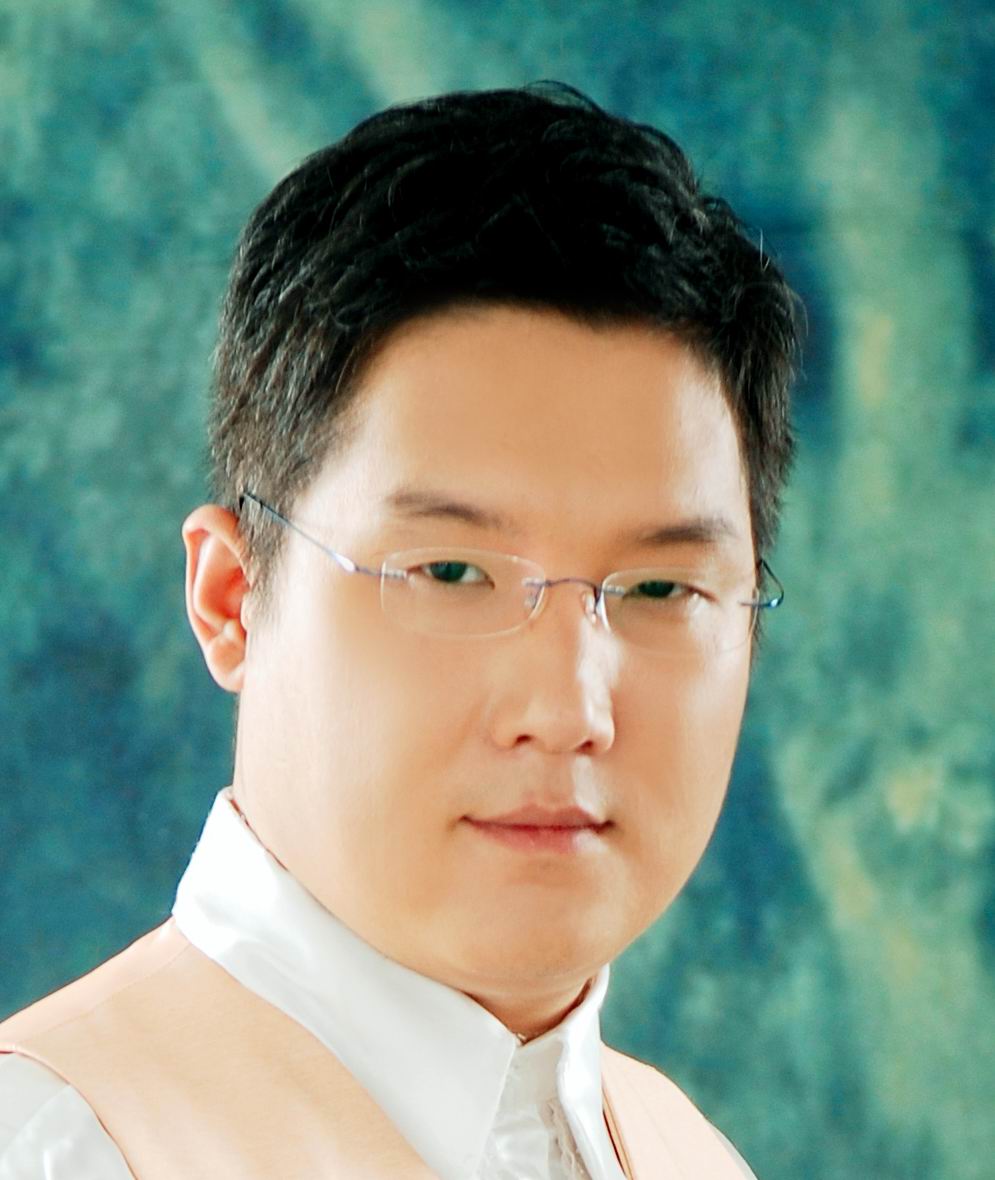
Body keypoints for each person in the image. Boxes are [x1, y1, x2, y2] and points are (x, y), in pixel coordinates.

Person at [0, 82, 800, 1178]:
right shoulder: (58, 1142)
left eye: (660, 589)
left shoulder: (691, 1156)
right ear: (232, 599)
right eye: (452, 572)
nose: (568, 708)